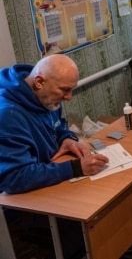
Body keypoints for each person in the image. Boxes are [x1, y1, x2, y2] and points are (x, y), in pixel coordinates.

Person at [0, 54, 109, 259]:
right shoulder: (8, 116)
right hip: (22, 211)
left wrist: (66, 138)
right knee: (93, 221)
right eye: (65, 90)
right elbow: (13, 178)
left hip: (50, 182)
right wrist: (75, 168)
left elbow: (59, 124)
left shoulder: (43, 95)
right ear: (39, 81)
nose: (69, 97)